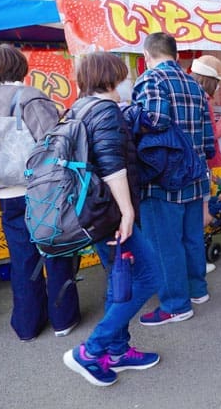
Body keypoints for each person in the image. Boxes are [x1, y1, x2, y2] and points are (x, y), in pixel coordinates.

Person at [62, 52, 163, 387]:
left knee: (118, 279)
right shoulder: (104, 110)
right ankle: (92, 350)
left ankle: (118, 351)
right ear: (110, 77)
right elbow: (111, 166)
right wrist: (128, 211)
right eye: (121, 74)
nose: (125, 81)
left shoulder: (77, 108)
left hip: (92, 212)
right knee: (149, 277)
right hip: (111, 213)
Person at [0, 45, 80, 341]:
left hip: (7, 192)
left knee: (22, 259)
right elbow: (52, 143)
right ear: (19, 66)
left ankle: (27, 324)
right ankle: (63, 318)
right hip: (40, 190)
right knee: (56, 250)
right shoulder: (30, 97)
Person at [132, 33, 215, 326]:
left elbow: (154, 119)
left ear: (147, 54)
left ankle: (176, 305)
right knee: (191, 237)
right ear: (175, 54)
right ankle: (197, 290)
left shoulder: (152, 79)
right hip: (194, 173)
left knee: (164, 243)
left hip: (164, 176)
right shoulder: (194, 83)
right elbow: (208, 139)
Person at [190, 54, 221, 275]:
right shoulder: (201, 99)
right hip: (199, 165)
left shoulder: (183, 93)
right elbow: (211, 135)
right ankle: (198, 262)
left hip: (183, 166)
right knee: (202, 215)